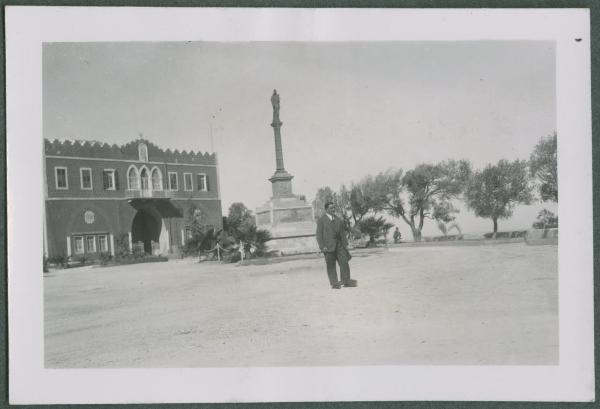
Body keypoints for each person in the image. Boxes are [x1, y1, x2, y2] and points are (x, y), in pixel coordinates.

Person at [316, 202, 358, 289]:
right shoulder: (321, 221)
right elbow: (319, 235)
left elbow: (342, 233)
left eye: (334, 208)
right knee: (331, 265)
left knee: (344, 262)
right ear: (326, 209)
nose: (333, 209)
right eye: (331, 208)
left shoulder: (338, 219)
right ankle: (334, 283)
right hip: (328, 247)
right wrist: (322, 246)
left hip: (340, 246)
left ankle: (346, 281)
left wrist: (345, 244)